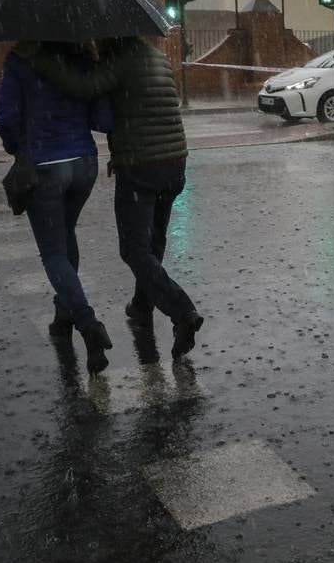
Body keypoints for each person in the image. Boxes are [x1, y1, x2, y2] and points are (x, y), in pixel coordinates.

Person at [31, 36, 204, 360]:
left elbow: (84, 87)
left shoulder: (121, 59)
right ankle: (141, 305)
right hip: (175, 162)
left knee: (134, 249)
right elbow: (148, 109)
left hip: (142, 167)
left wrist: (40, 61)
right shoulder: (156, 55)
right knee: (153, 243)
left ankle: (183, 312)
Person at [0, 41, 115, 373]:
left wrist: (17, 146)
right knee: (65, 235)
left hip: (45, 165)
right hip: (84, 163)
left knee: (53, 253)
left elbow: (6, 116)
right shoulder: (78, 54)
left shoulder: (21, 59)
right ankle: (63, 315)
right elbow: (102, 114)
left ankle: (88, 324)